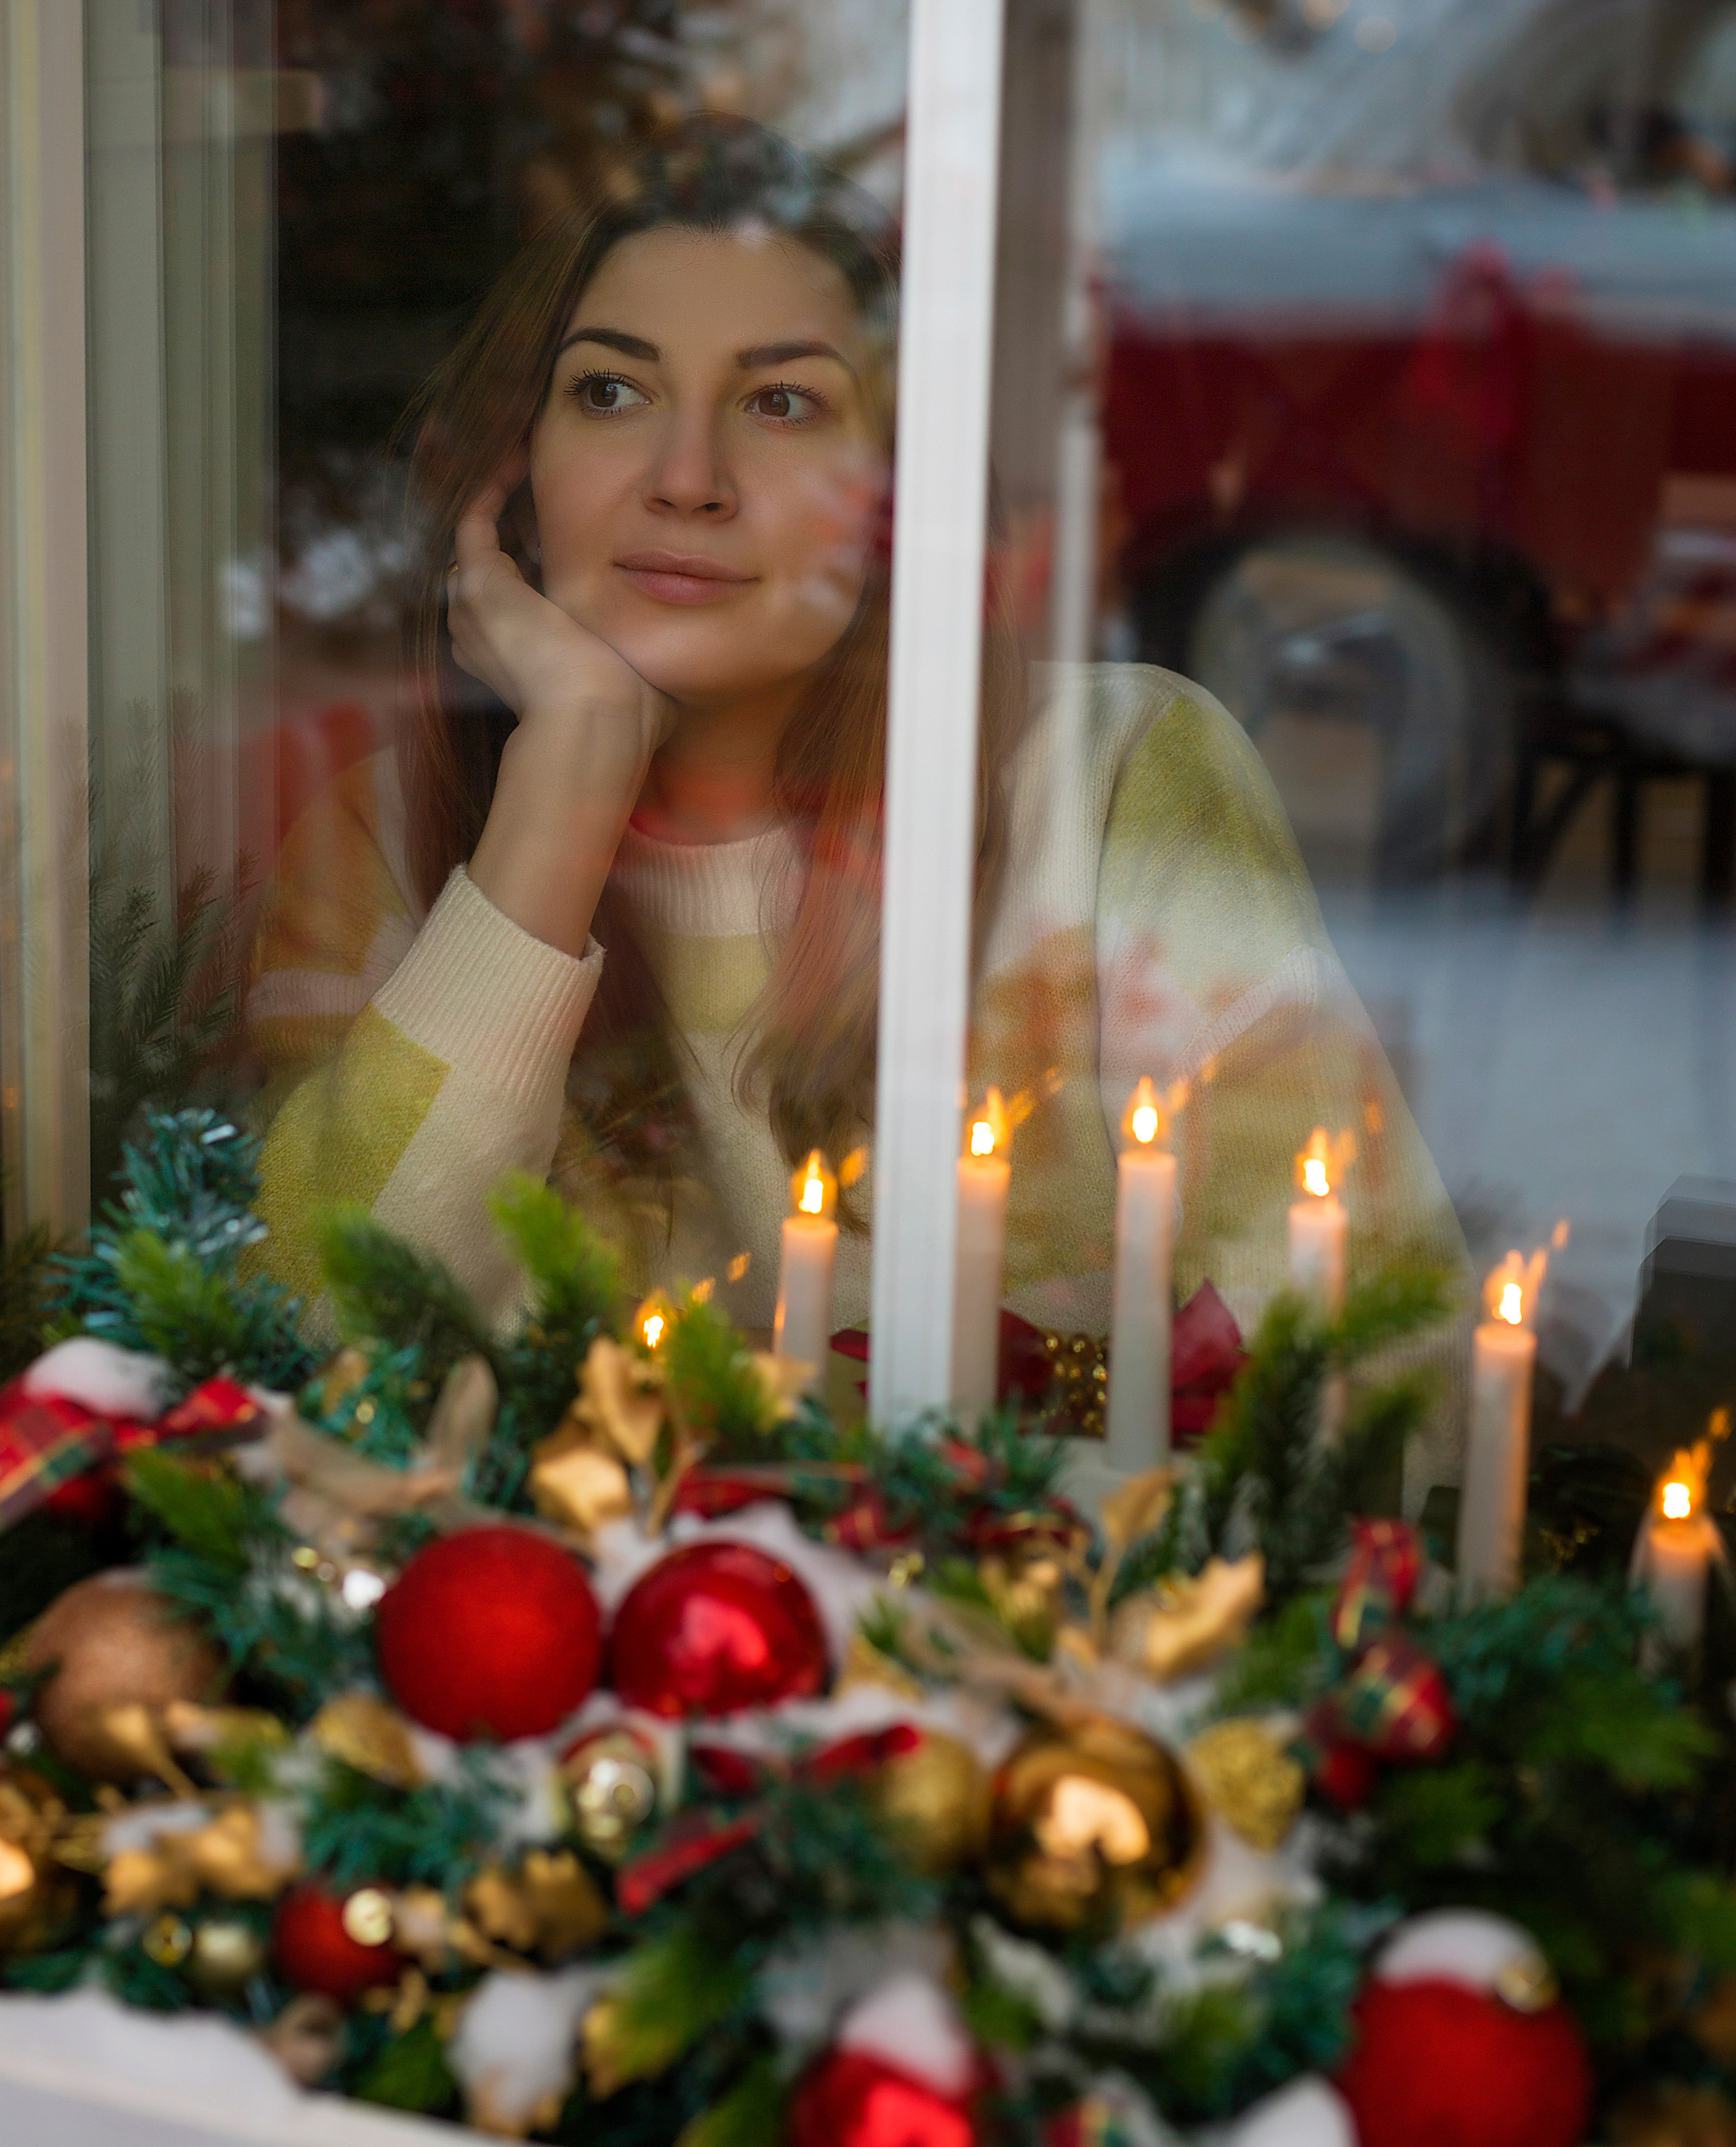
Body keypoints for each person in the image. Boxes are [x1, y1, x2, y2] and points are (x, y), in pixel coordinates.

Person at [249, 117, 1465, 1476]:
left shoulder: (1116, 774)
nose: (687, 480)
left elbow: (1374, 1367)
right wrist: (561, 796)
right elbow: (301, 1352)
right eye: (609, 392)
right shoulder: (383, 839)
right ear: (512, 472)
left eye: (783, 403)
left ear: (897, 494)